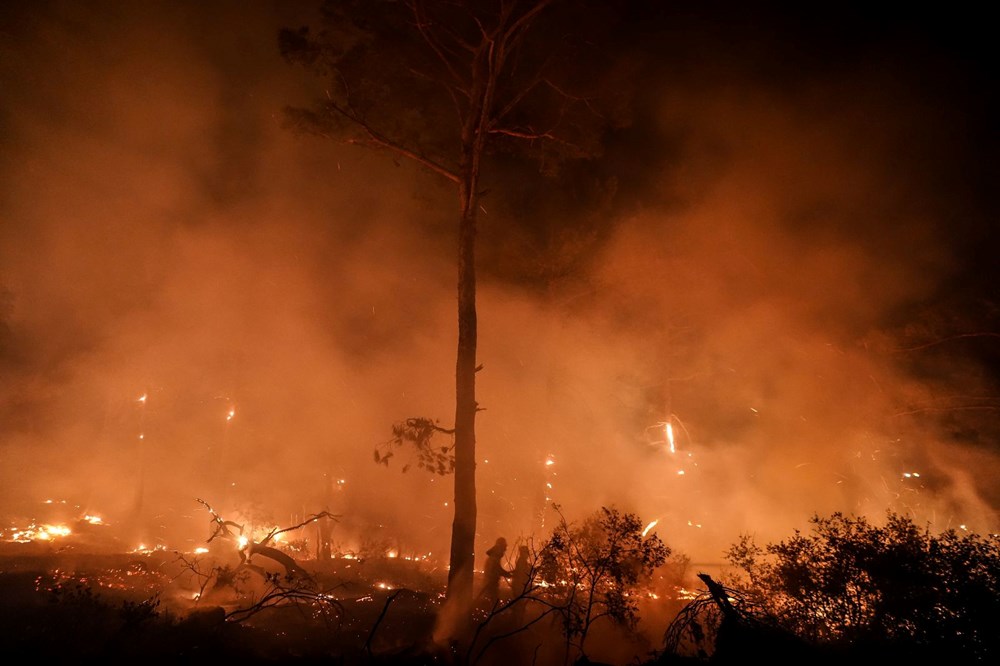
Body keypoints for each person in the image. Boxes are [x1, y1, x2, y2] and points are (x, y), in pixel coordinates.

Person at [478, 536, 512, 605]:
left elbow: (498, 569)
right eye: (504, 547)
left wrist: (508, 574)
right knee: (492, 604)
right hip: (490, 585)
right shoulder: (494, 558)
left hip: (491, 585)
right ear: (500, 547)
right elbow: (497, 570)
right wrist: (509, 575)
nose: (505, 549)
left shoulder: (494, 557)